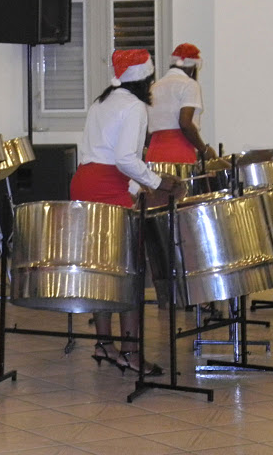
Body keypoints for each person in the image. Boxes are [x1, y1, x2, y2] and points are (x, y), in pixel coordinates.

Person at [70, 49, 182, 377]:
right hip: (106, 185)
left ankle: (104, 344)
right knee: (129, 273)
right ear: (146, 79)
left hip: (85, 180)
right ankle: (131, 352)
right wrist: (158, 182)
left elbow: (101, 154)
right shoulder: (134, 107)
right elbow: (125, 158)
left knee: (103, 272)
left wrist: (136, 188)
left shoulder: (101, 101)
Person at [146, 43, 217, 163]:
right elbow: (185, 123)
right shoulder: (189, 84)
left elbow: (146, 129)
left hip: (154, 152)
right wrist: (204, 150)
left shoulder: (154, 87)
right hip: (179, 150)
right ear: (192, 67)